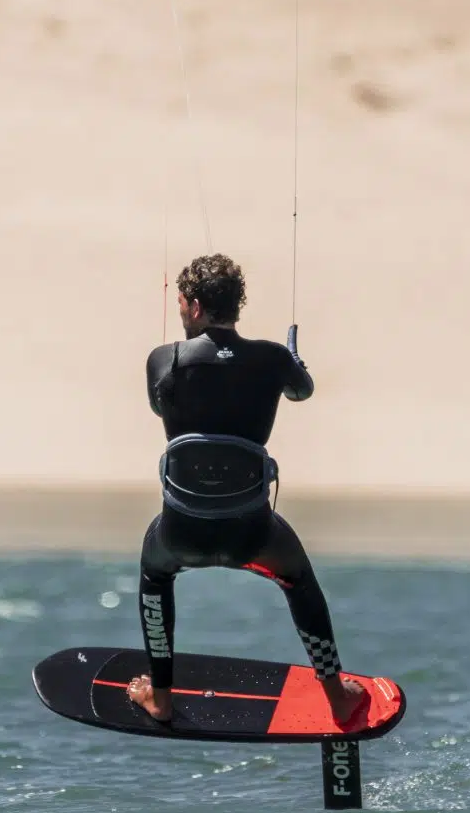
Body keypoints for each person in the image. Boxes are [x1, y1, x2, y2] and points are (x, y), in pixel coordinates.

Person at [130, 253, 368, 728]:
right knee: (298, 579)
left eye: (180, 303)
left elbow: (160, 406)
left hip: (182, 534)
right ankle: (336, 696)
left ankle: (160, 696)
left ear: (195, 306)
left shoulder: (165, 359)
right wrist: (291, 363)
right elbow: (303, 391)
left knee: (155, 573)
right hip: (253, 535)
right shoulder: (272, 359)